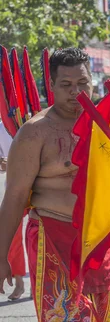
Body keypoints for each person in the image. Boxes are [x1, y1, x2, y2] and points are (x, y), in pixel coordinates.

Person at [0, 48, 110, 320]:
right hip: (54, 237)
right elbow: (14, 197)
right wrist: (1, 257)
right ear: (52, 86)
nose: (76, 92)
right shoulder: (35, 132)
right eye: (66, 85)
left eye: (82, 83)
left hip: (103, 240)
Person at [0, 119, 25, 301]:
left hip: (19, 189)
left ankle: (20, 283)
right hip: (8, 187)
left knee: (15, 238)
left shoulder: (11, 122)